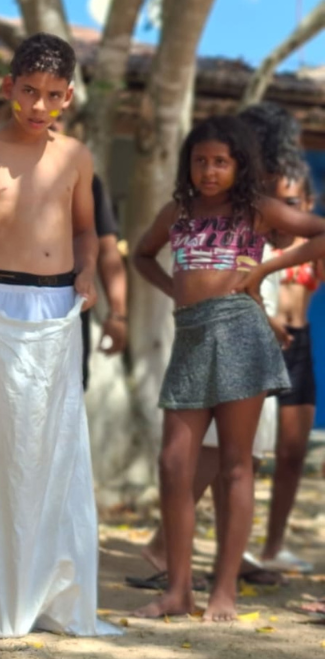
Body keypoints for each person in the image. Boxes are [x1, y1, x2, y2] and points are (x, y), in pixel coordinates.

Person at [0, 33, 111, 639]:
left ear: (67, 98)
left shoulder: (76, 157)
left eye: (52, 96)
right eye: (29, 92)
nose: (38, 105)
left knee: (56, 445)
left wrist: (88, 273)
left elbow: (87, 231)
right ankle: (2, 597)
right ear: (9, 87)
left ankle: (56, 593)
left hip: (60, 306)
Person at [132, 115, 325, 622]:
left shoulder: (255, 208)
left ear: (240, 165)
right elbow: (142, 255)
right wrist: (174, 290)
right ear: (188, 165)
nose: (210, 171)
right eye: (200, 161)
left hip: (241, 331)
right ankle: (178, 591)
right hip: (191, 337)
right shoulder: (179, 210)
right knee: (175, 463)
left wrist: (264, 269)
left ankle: (224, 592)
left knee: (237, 465)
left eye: (221, 161)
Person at [0, 171, 126, 491]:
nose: (41, 119)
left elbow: (103, 245)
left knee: (54, 420)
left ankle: (48, 515)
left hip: (61, 310)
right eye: (26, 114)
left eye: (54, 118)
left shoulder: (80, 174)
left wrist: (118, 313)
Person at [258, 154, 319, 573]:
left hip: (299, 346)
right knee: (239, 453)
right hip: (260, 346)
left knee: (292, 452)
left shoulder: (313, 247)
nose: (285, 211)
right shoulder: (258, 240)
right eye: (277, 200)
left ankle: (272, 546)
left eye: (293, 202)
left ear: (309, 203)